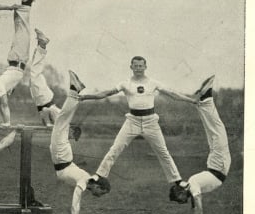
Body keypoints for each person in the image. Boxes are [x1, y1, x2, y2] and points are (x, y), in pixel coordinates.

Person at [79, 56, 197, 187]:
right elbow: (105, 93)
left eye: (141, 66)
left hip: (151, 121)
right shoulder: (125, 83)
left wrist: (192, 100)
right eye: (136, 66)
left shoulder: (153, 83)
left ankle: (178, 181)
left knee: (163, 152)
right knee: (115, 148)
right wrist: (84, 97)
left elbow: (173, 94)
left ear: (145, 67)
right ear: (131, 67)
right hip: (132, 121)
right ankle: (98, 175)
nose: (138, 69)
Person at [168, 76, 230, 214]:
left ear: (182, 192)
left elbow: (199, 208)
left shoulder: (193, 184)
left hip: (219, 164)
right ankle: (205, 99)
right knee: (214, 129)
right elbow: (194, 209)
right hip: (216, 163)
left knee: (216, 128)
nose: (180, 202)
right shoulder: (191, 185)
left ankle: (206, 99)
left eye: (179, 199)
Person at [51, 70, 111, 214]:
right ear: (98, 187)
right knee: (62, 120)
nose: (99, 196)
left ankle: (72, 93)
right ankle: (73, 91)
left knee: (62, 120)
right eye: (102, 193)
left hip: (64, 158)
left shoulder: (86, 178)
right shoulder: (84, 181)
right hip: (62, 157)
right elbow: (75, 202)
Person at [0, 0, 41, 126]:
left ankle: (26, 3)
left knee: (22, 31)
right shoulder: (1, 86)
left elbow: (4, 104)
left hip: (17, 60)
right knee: (21, 31)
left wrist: (6, 122)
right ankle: (26, 3)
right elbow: (3, 101)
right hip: (17, 61)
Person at [29, 28, 61, 127]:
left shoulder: (52, 113)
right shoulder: (54, 113)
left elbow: (45, 112)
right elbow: (46, 111)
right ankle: (42, 44)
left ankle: (41, 44)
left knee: (34, 70)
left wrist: (47, 122)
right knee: (34, 73)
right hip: (44, 99)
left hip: (42, 99)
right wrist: (47, 123)